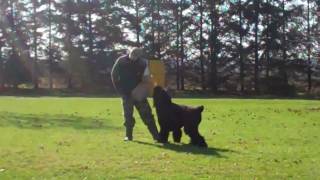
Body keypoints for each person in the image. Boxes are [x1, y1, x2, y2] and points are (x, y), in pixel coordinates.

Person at [111, 47, 159, 141]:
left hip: (139, 93)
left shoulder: (143, 63)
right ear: (129, 53)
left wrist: (145, 88)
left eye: (136, 56)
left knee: (147, 114)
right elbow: (114, 75)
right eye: (132, 55)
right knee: (128, 115)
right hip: (126, 93)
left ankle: (156, 136)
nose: (134, 57)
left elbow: (146, 78)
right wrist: (120, 90)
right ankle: (128, 136)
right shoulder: (121, 61)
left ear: (139, 56)